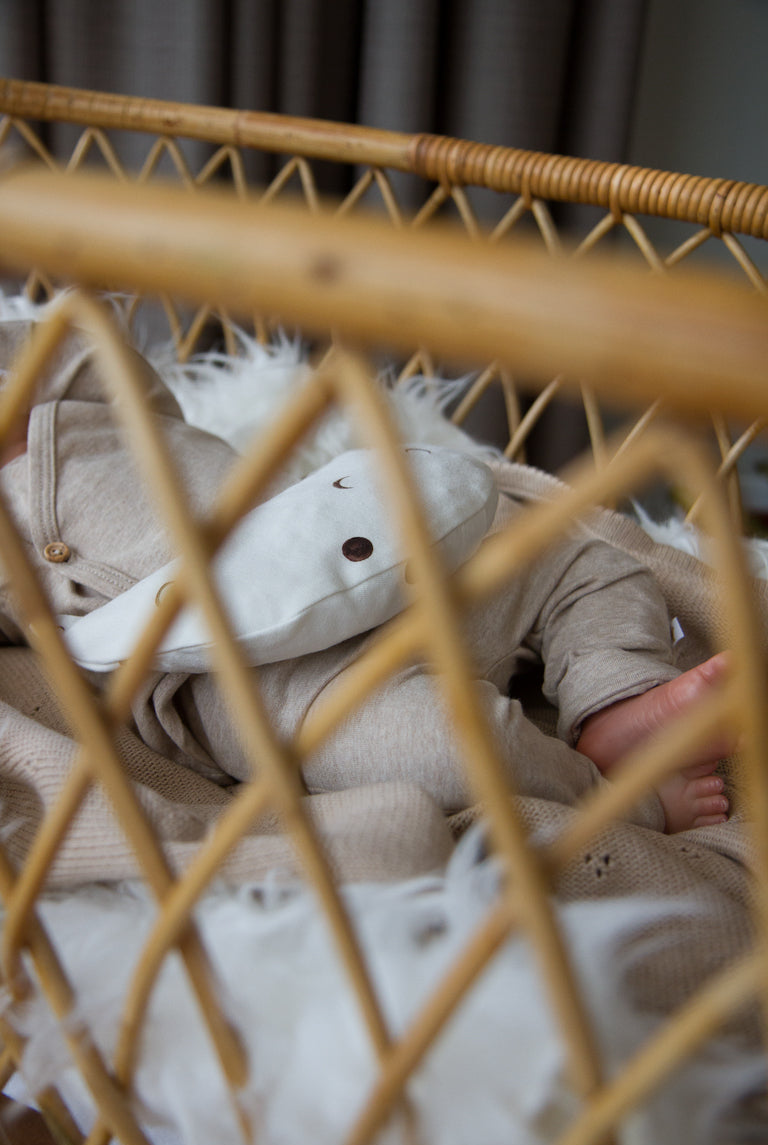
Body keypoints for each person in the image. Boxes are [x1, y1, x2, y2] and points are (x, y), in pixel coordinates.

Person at [0, 318, 731, 835]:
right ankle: (622, 795)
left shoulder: (76, 413)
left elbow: (84, 342)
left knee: (578, 561)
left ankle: (614, 697)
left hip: (356, 535)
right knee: (449, 752)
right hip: (257, 677)